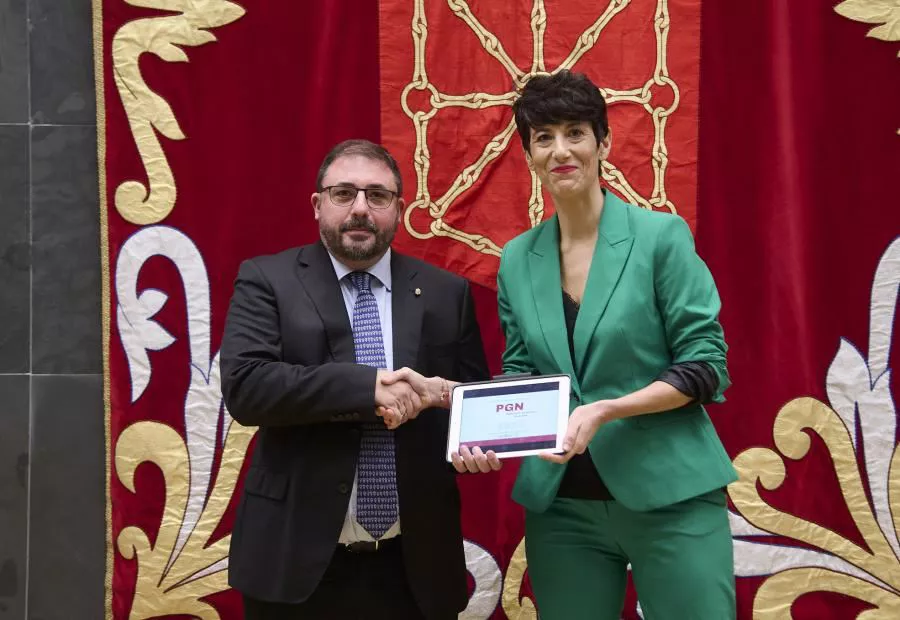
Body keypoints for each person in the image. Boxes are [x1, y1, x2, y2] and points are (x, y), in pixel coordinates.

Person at [485, 70, 738, 619]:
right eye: (543, 137)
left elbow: (705, 366)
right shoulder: (515, 259)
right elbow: (520, 372)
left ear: (603, 142)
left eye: (575, 132)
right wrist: (476, 426)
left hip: (671, 496)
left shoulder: (660, 237)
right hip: (562, 509)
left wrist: (608, 409)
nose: (560, 150)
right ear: (528, 153)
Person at [220, 139, 489, 620]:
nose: (361, 209)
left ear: (399, 209)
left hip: (415, 568)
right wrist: (368, 388)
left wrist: (477, 440)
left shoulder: (447, 293)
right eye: (344, 193)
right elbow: (247, 388)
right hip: (294, 565)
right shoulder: (268, 279)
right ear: (317, 204)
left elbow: (471, 405)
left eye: (377, 196)